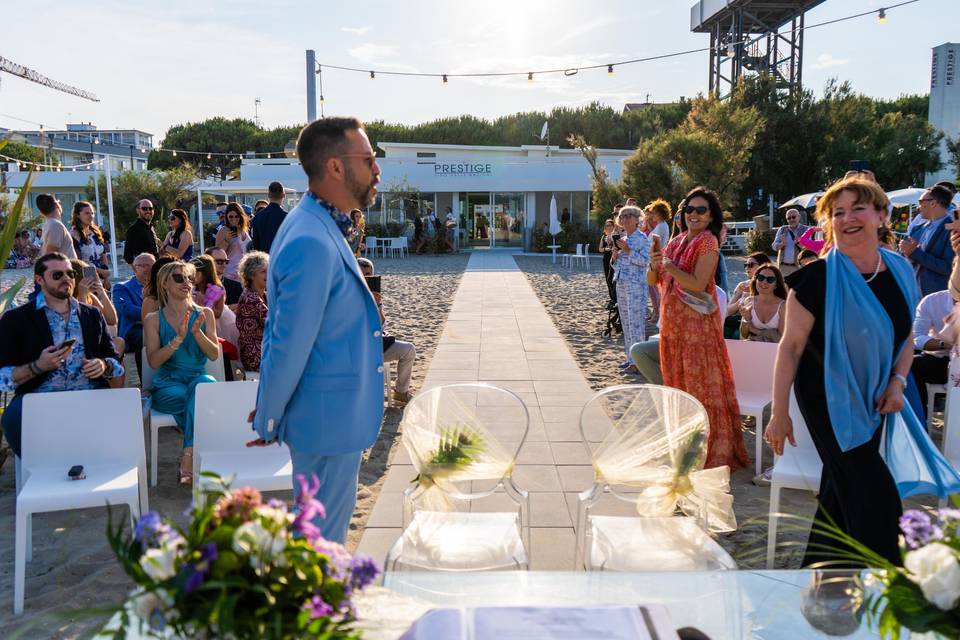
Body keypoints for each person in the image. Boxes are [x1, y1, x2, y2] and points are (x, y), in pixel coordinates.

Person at [766, 176, 960, 567]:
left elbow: (905, 337)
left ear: (881, 215)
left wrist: (898, 382)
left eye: (858, 208)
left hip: (876, 395)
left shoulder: (900, 269)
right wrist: (780, 411)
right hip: (827, 398)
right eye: (837, 213)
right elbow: (789, 348)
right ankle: (891, 579)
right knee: (876, 494)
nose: (847, 218)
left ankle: (819, 576)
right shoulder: (815, 279)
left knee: (842, 491)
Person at [247, 116, 385, 545]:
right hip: (327, 421)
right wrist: (269, 415)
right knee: (322, 546)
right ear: (336, 168)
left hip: (328, 415)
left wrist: (271, 405)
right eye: (369, 158)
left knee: (317, 540)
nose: (377, 168)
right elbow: (288, 341)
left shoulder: (318, 223)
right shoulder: (311, 236)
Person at [650, 187, 749, 472]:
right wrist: (655, 263)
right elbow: (654, 279)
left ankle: (706, 448)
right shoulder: (678, 240)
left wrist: (667, 264)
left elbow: (695, 283)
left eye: (700, 210)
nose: (693, 215)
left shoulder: (708, 242)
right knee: (678, 384)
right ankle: (683, 445)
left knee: (700, 387)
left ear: (710, 216)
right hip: (673, 324)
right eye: (689, 210)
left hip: (696, 326)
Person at [0, 253, 124, 458]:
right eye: (57, 275)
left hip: (89, 392)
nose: (66, 279)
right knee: (12, 418)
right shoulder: (16, 319)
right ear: (39, 280)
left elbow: (115, 362)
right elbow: (3, 378)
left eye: (70, 273)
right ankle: (41, 470)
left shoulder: (91, 314)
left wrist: (103, 365)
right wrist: (38, 366)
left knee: (126, 413)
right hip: (39, 397)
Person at [144, 261, 219, 485]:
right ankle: (197, 452)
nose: (186, 282)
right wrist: (177, 340)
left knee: (204, 383)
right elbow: (153, 361)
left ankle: (187, 454)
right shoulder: (153, 319)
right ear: (164, 283)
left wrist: (197, 334)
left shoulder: (205, 313)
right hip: (168, 384)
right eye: (179, 278)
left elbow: (214, 354)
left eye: (189, 278)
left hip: (197, 380)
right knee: (198, 400)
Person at [358, 257, 417, 405]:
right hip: (356, 348)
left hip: (377, 344)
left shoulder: (374, 293)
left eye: (369, 274)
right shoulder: (347, 295)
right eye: (362, 274)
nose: (366, 277)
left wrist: (377, 305)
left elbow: (381, 326)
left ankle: (401, 392)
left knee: (409, 350)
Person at [611, 206, 651, 374]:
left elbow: (645, 261)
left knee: (636, 324)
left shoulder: (642, 238)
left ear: (637, 219)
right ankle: (630, 358)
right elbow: (618, 266)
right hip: (622, 282)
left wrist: (628, 251)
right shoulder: (623, 238)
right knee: (626, 324)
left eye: (629, 216)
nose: (625, 219)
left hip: (636, 285)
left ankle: (638, 362)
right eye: (622, 216)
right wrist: (615, 257)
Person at [900, 185, 955, 298]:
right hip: (911, 293)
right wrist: (907, 254)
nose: (918, 206)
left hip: (936, 298)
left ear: (933, 203)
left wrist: (915, 252)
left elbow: (948, 268)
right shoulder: (917, 228)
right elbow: (908, 260)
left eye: (920, 201)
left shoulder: (953, 230)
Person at [910, 289, 955, 420]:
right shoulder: (932, 300)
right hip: (940, 359)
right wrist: (944, 344)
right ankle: (919, 421)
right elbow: (916, 337)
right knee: (910, 366)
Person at [113, 252, 156, 379]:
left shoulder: (162, 286)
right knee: (143, 337)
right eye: (142, 265)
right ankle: (147, 384)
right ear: (134, 268)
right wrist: (154, 313)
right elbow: (126, 309)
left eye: (150, 265)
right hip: (135, 329)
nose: (147, 269)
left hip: (159, 324)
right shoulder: (122, 287)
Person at [72, 259, 124, 357]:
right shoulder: (68, 300)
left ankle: (109, 368)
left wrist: (102, 293)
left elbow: (112, 320)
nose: (91, 278)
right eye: (86, 276)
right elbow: (80, 326)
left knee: (119, 342)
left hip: (95, 343)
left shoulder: (90, 297)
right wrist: (82, 295)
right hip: (79, 345)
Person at [235, 251, 269, 373]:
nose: (268, 274)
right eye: (263, 272)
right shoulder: (251, 299)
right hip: (256, 355)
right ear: (251, 275)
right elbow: (276, 325)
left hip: (265, 350)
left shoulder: (263, 295)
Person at [738, 264, 787, 342]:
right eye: (761, 278)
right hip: (754, 348)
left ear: (776, 285)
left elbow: (781, 339)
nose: (764, 282)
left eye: (770, 279)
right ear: (755, 280)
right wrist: (746, 319)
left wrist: (754, 330)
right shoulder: (749, 301)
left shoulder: (783, 306)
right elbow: (744, 334)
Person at [70, 201, 109, 278]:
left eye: (92, 213)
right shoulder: (73, 235)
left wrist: (106, 278)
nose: (91, 216)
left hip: (102, 276)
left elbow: (103, 254)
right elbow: (78, 262)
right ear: (77, 215)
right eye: (87, 213)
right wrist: (100, 272)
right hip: (86, 277)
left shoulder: (95, 232)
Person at [215, 203, 251, 286]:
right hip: (229, 276)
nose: (234, 219)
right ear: (226, 216)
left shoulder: (244, 230)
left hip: (243, 275)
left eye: (237, 216)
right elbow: (217, 254)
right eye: (231, 216)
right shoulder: (223, 230)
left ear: (241, 216)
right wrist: (226, 240)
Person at [249, 181, 288, 254]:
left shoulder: (258, 216)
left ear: (269, 195)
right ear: (284, 195)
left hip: (263, 259)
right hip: (280, 258)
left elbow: (255, 243)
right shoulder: (286, 217)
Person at [37, 194, 77, 260]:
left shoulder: (49, 224)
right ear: (56, 205)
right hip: (66, 268)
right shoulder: (55, 225)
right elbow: (51, 256)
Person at [771, 208, 809, 277]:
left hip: (799, 267)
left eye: (793, 217)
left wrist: (799, 244)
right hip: (783, 267)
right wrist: (782, 244)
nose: (791, 219)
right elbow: (774, 246)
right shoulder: (782, 229)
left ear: (799, 217)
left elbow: (809, 249)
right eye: (789, 218)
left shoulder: (806, 229)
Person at [140, 256, 176, 322]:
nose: (183, 280)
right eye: (177, 276)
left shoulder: (182, 297)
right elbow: (148, 329)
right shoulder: (151, 301)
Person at [123, 199, 160, 265]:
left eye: (150, 208)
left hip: (155, 268)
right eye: (144, 208)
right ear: (138, 210)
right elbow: (127, 256)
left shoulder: (151, 227)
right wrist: (137, 271)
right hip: (144, 271)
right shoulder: (134, 229)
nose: (148, 211)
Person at [191, 254, 225, 319]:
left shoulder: (217, 289)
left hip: (212, 322)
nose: (192, 276)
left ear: (205, 273)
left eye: (195, 272)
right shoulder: (190, 288)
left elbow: (219, 314)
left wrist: (202, 306)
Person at [598, 219, 617, 306]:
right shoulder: (603, 236)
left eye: (610, 225)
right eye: (607, 225)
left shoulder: (616, 236)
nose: (609, 227)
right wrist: (606, 249)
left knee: (613, 279)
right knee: (608, 278)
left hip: (614, 258)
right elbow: (600, 249)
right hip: (606, 258)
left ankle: (615, 299)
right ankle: (612, 298)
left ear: (613, 226)